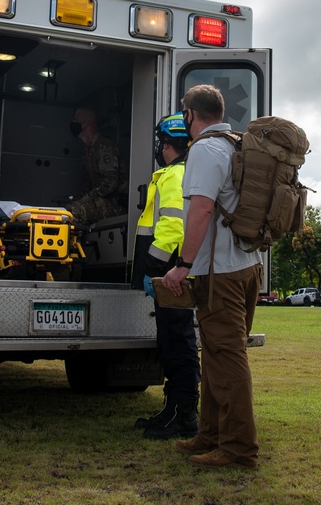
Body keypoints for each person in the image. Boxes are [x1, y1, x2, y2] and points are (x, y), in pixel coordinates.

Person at [160, 84, 262, 469]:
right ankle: (211, 434)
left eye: (184, 114)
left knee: (228, 357)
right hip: (246, 267)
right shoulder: (236, 143)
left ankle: (238, 448)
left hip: (219, 272)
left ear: (190, 114)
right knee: (216, 357)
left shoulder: (204, 149)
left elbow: (201, 210)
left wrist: (183, 265)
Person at [131, 114, 199, 440]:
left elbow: (173, 226)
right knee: (170, 341)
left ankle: (186, 416)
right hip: (169, 271)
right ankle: (172, 410)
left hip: (169, 273)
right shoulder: (176, 173)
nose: (159, 147)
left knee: (179, 341)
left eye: (161, 142)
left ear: (167, 143)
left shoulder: (175, 175)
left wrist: (153, 268)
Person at [66, 106, 125, 225]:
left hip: (115, 204)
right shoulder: (89, 151)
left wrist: (86, 199)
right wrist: (78, 200)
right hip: (99, 201)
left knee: (75, 212)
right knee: (67, 210)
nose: (72, 124)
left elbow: (109, 184)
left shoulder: (104, 147)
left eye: (75, 120)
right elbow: (87, 186)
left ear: (86, 124)